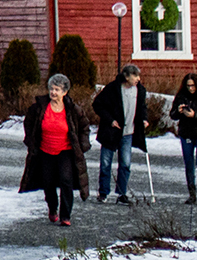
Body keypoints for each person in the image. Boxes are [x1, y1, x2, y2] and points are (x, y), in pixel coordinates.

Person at [22, 73, 87, 225]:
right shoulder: (39, 107)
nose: (53, 92)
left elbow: (84, 126)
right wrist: (31, 142)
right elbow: (29, 123)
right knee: (48, 182)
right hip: (45, 150)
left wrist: (83, 145)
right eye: (51, 88)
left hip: (66, 150)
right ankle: (53, 208)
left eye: (57, 89)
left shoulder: (72, 109)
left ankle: (65, 216)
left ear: (65, 92)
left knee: (66, 181)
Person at [91, 64, 152, 204]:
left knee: (125, 163)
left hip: (128, 132)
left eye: (138, 76)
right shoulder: (113, 88)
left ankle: (122, 193)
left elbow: (142, 107)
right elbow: (98, 105)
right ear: (126, 76)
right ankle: (103, 192)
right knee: (106, 163)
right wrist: (110, 120)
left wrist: (144, 119)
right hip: (111, 132)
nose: (138, 78)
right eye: (135, 75)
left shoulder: (140, 90)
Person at [168, 71, 197, 204]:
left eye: (193, 85)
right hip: (186, 133)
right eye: (188, 86)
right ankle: (192, 194)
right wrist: (179, 111)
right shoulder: (181, 97)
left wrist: (194, 115)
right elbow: (172, 115)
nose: (191, 88)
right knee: (189, 164)